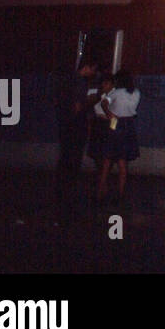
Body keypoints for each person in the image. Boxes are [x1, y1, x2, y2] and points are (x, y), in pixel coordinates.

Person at [56, 55, 101, 216]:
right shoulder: (80, 83)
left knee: (65, 158)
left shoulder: (68, 80)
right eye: (93, 69)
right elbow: (77, 107)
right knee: (73, 160)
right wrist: (90, 102)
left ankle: (61, 192)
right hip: (76, 127)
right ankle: (68, 196)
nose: (93, 73)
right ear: (87, 67)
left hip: (66, 125)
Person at [97, 69, 139, 202]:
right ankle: (120, 193)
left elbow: (104, 103)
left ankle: (101, 190)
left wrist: (109, 114)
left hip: (115, 122)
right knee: (122, 161)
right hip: (129, 124)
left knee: (107, 159)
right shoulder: (136, 92)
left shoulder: (116, 92)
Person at [86, 73, 114, 167]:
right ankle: (99, 172)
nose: (104, 85)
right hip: (97, 122)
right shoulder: (96, 93)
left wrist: (113, 127)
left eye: (107, 83)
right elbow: (89, 104)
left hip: (109, 123)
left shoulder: (114, 94)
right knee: (96, 150)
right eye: (103, 83)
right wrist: (99, 95)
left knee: (108, 151)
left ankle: (105, 173)